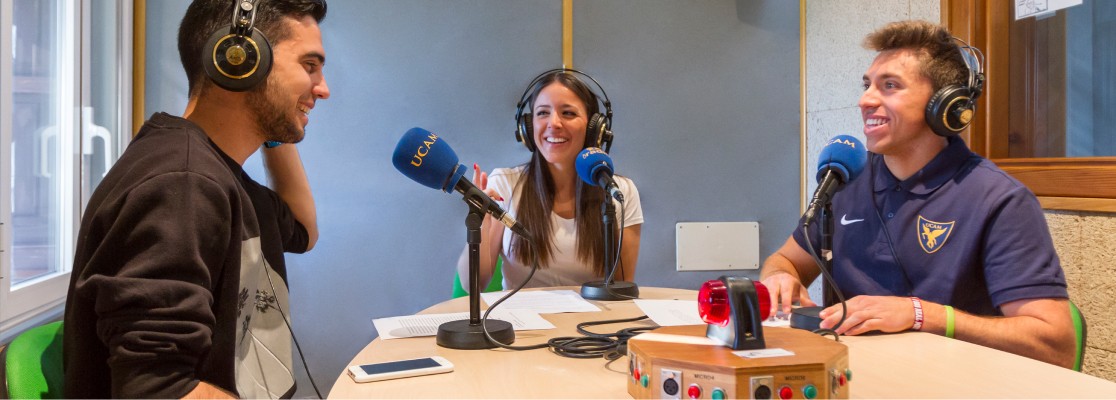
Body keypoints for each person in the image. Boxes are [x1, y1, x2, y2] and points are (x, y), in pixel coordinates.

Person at [759, 20, 1075, 368]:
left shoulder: (999, 200)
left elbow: (1055, 343)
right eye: (867, 85)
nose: (866, 100)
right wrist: (779, 278)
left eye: (889, 85)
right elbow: (786, 260)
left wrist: (923, 315)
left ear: (945, 106)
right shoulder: (846, 180)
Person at [63, 0, 329, 397]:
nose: (323, 89)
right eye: (309, 66)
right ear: (240, 60)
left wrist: (278, 120)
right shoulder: (182, 183)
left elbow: (304, 231)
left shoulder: (218, 175)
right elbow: (157, 390)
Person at [457, 69, 644, 291]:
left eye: (568, 113)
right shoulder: (505, 185)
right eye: (543, 113)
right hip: (523, 323)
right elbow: (473, 285)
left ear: (595, 129)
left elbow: (622, 290)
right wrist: (480, 223)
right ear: (527, 127)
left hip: (589, 324)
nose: (553, 123)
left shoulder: (618, 192)